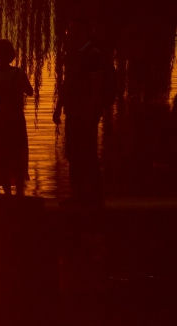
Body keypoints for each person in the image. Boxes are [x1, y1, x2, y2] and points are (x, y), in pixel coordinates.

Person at [53, 19, 113, 206]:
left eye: (73, 32)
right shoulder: (76, 54)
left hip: (85, 113)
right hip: (74, 112)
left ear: (83, 33)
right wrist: (59, 107)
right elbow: (67, 83)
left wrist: (92, 111)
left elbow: (96, 84)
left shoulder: (92, 55)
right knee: (74, 153)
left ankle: (93, 196)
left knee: (86, 154)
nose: (68, 36)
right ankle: (78, 194)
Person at [0, 39, 33, 198]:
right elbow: (30, 91)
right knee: (16, 153)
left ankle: (4, 192)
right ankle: (19, 192)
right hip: (16, 119)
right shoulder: (19, 74)